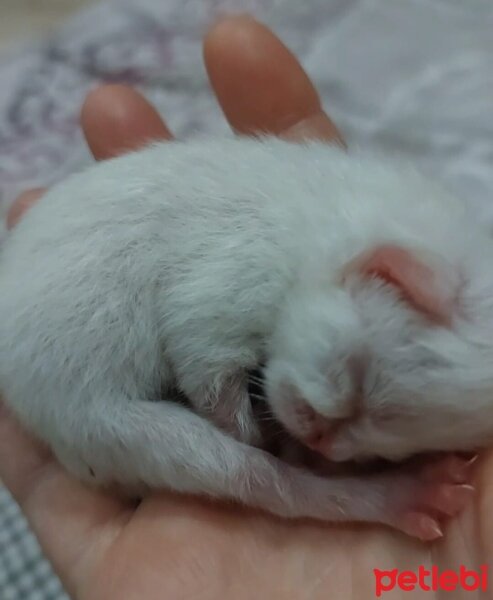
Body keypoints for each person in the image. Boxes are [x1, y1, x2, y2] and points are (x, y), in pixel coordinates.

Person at [0, 15, 490, 600]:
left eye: (390, 446)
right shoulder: (277, 234)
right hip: (78, 375)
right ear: (377, 272)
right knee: (246, 469)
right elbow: (198, 340)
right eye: (348, 384)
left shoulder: (361, 250)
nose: (330, 444)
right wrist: (241, 422)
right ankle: (372, 502)